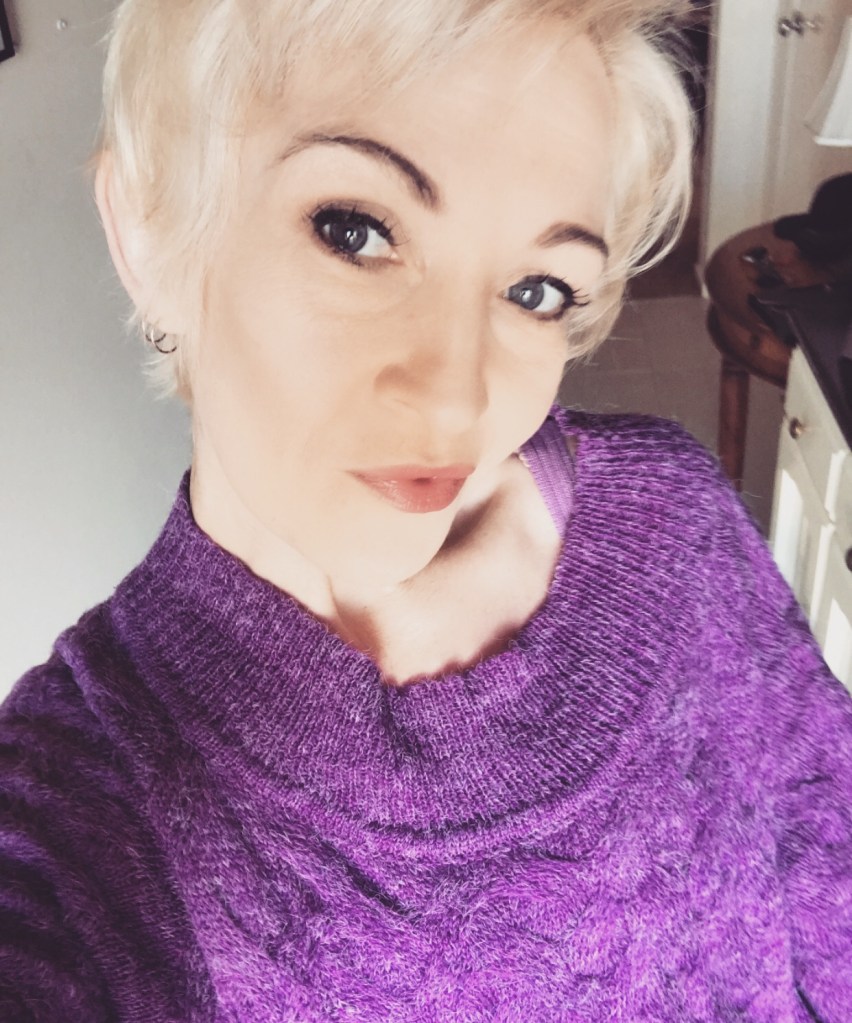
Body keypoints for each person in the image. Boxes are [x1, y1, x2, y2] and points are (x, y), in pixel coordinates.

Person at [2, 0, 850, 1019]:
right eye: (354, 231)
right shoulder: (81, 812)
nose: (457, 399)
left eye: (537, 289)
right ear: (147, 232)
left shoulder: (673, 520)